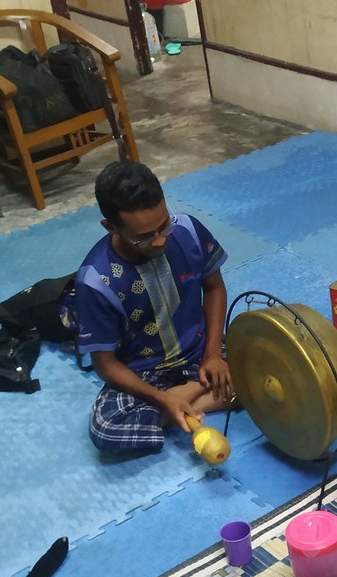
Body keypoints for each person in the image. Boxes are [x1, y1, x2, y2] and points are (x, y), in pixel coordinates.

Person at [74, 160, 231, 454]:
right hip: (146, 372)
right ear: (111, 227)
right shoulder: (96, 280)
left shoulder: (187, 231)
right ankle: (200, 395)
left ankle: (187, 396)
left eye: (163, 226)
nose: (159, 241)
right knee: (106, 429)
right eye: (144, 237)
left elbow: (213, 287)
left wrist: (212, 355)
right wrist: (160, 397)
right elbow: (105, 364)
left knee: (268, 349)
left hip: (202, 351)